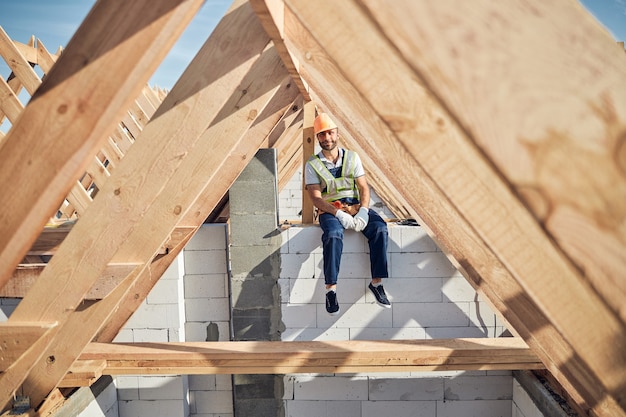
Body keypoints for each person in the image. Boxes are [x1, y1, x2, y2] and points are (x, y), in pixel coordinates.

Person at [304, 113, 391, 315]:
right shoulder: (313, 164)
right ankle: (331, 290)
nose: (327, 138)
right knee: (333, 235)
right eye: (322, 135)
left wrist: (363, 211)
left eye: (330, 133)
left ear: (337, 133)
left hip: (355, 206)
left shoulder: (352, 157)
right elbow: (316, 199)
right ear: (318, 138)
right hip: (330, 210)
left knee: (379, 228)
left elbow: (364, 188)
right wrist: (338, 214)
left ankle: (377, 283)